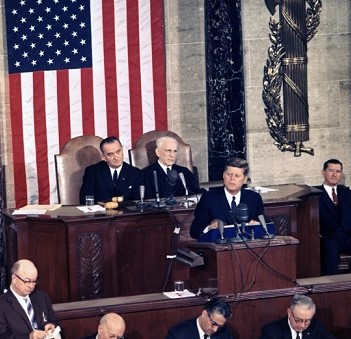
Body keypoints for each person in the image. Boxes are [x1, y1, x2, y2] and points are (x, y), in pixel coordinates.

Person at [190, 157, 264, 239]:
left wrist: (258, 225)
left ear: (245, 180)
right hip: (219, 247)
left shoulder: (254, 198)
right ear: (223, 175)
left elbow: (265, 228)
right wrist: (209, 228)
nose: (232, 179)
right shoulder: (209, 198)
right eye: (229, 174)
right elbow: (194, 232)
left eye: (237, 176)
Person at [0, 259, 59, 339]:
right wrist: (29, 337)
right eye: (27, 281)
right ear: (14, 278)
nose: (31, 286)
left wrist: (52, 326)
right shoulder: (2, 304)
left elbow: (54, 321)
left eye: (34, 281)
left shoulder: (41, 297)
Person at [79, 136, 142, 204]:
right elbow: (85, 201)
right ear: (103, 157)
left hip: (127, 213)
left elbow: (137, 203)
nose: (116, 157)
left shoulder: (135, 173)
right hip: (101, 213)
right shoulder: (92, 172)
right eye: (110, 154)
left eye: (118, 152)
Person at [316, 158, 351, 275]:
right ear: (323, 172)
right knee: (330, 254)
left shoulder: (346, 193)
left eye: (338, 171)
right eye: (331, 170)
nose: (335, 174)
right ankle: (331, 289)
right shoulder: (315, 194)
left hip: (347, 236)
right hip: (328, 238)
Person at [142, 136, 202, 200]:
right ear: (158, 152)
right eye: (168, 151)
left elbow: (197, 193)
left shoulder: (184, 172)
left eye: (175, 151)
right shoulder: (146, 174)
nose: (172, 155)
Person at [259, 294, 335, 338]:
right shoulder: (271, 332)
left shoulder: (317, 327)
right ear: (289, 313)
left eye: (307, 321)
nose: (302, 325)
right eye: (298, 320)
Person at [165, 297, 234, 338]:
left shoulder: (225, 332)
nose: (215, 330)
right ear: (204, 314)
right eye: (214, 323)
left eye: (220, 326)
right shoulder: (177, 334)